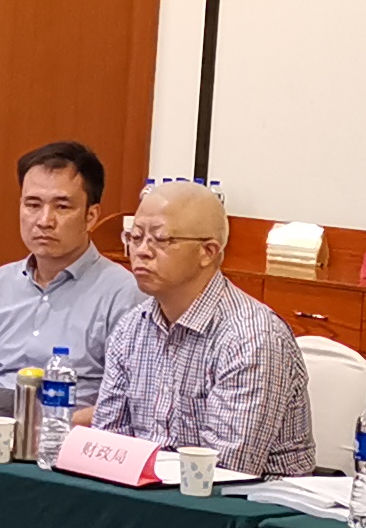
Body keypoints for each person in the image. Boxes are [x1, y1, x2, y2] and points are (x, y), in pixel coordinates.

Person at [88, 180, 314, 477]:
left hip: (246, 498)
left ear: (207, 252)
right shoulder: (132, 327)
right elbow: (108, 446)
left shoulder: (252, 337)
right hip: (151, 492)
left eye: (160, 239)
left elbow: (227, 469)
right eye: (135, 237)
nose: (141, 251)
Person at [0, 141, 143, 404]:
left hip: (69, 425)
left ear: (91, 216)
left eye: (62, 207)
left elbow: (127, 402)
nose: (44, 221)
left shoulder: (125, 295)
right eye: (33, 205)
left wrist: (46, 423)